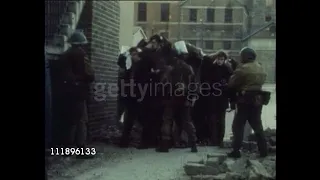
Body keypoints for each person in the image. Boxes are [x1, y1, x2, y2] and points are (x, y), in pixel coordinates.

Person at [59, 30, 95, 158]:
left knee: (69, 120)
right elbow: (90, 75)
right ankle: (81, 149)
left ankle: (66, 148)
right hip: (79, 92)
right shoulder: (82, 55)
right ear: (81, 43)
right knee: (81, 120)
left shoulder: (64, 55)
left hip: (66, 93)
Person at [227, 47, 268, 158]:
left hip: (244, 99)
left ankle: (236, 151)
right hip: (258, 99)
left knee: (238, 126)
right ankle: (263, 150)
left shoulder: (242, 68)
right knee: (257, 126)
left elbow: (232, 83)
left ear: (244, 56)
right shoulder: (260, 67)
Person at [157, 41, 198, 153]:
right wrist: (191, 96)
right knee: (187, 121)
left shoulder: (169, 68)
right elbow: (193, 84)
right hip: (184, 98)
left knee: (167, 120)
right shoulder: (188, 68)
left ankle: (165, 145)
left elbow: (163, 83)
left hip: (171, 98)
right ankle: (193, 144)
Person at [205, 51, 233, 147]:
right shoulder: (211, 68)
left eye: (222, 59)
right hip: (213, 97)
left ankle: (219, 140)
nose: (220, 61)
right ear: (216, 59)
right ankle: (213, 139)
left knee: (221, 119)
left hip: (222, 98)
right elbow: (207, 81)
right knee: (213, 119)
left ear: (224, 60)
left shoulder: (227, 69)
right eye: (219, 59)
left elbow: (230, 84)